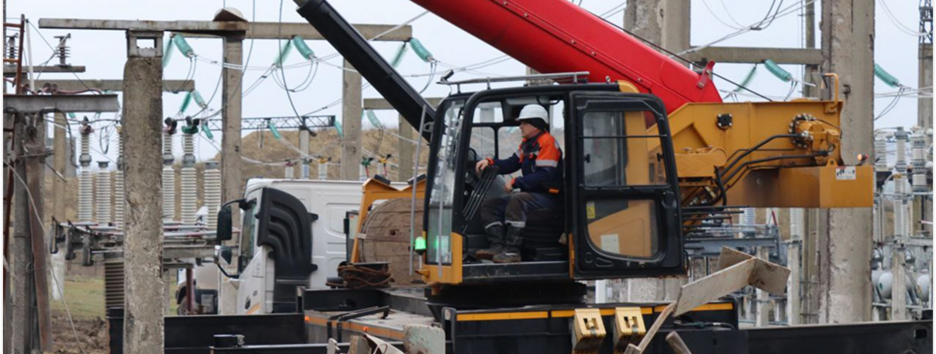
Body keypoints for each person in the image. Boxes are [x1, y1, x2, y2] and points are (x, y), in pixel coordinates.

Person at [474, 104, 563, 263]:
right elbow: (512, 163)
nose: (520, 126)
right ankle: (497, 247)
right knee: (490, 205)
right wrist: (490, 162)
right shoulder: (527, 144)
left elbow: (544, 176)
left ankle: (512, 252)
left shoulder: (547, 143)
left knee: (518, 200)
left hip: (549, 197)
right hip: (534, 195)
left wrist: (516, 182)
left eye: (524, 123)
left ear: (535, 124)